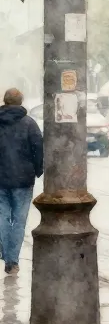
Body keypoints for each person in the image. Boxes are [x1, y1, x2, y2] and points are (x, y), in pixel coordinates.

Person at [0, 89, 42, 274]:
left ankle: (5, 252)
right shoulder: (29, 124)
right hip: (23, 181)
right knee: (19, 221)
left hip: (1, 180)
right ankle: (12, 261)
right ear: (21, 101)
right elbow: (38, 149)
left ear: (5, 101)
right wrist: (38, 170)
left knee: (2, 217)